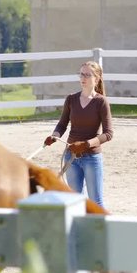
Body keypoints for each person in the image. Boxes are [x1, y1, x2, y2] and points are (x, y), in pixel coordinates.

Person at [44, 61, 113, 207]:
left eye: (88, 75)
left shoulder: (101, 102)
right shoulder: (71, 99)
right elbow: (62, 124)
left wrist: (86, 144)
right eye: (81, 74)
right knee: (75, 202)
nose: (83, 78)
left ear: (97, 78)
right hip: (71, 157)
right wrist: (54, 135)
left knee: (96, 202)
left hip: (92, 158)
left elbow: (108, 134)